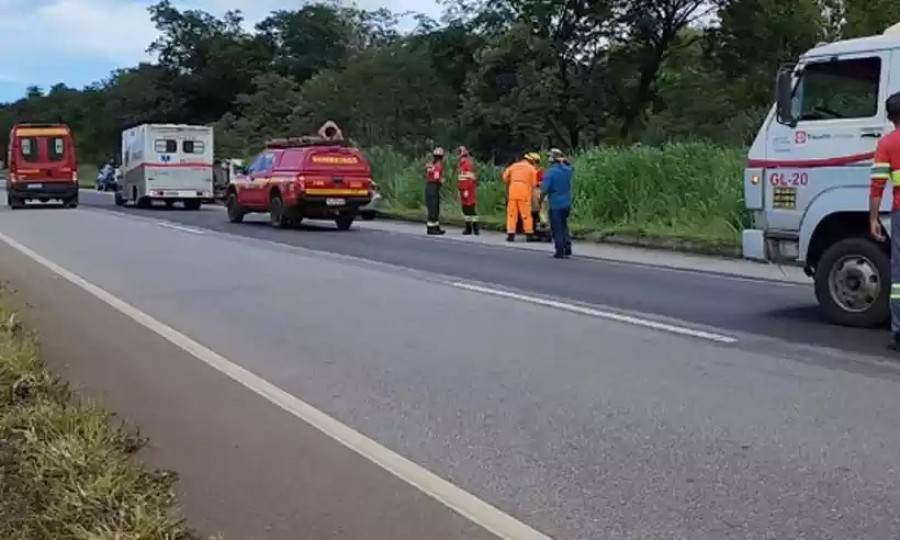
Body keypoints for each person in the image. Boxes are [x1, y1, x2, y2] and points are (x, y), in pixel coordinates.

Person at [869, 91, 900, 349]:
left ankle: (899, 332)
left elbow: (877, 185)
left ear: (890, 117)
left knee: (899, 274)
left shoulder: (887, 144)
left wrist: (874, 218)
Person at [540, 148, 573, 259]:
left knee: (557, 228)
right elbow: (569, 166)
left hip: (555, 203)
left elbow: (545, 189)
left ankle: (560, 250)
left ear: (551, 159)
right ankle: (567, 247)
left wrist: (540, 200)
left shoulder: (551, 172)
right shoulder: (568, 170)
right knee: (564, 226)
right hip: (566, 202)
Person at [502, 153, 539, 242]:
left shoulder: (513, 166)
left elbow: (505, 178)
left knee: (512, 214)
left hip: (513, 192)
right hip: (524, 193)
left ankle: (510, 234)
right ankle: (529, 234)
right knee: (526, 215)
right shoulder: (531, 169)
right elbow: (534, 184)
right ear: (532, 161)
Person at [456, 146, 479, 235]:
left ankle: (475, 228)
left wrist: (466, 190)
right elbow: (460, 179)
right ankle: (468, 228)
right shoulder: (462, 164)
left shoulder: (467, 164)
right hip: (463, 190)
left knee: (470, 208)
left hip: (468, 190)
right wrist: (460, 190)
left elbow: (469, 179)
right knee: (465, 209)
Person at [425, 147, 447, 235]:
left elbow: (426, 174)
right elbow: (437, 178)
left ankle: (435, 227)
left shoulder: (430, 165)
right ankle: (431, 229)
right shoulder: (438, 166)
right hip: (433, 187)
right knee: (434, 208)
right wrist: (442, 180)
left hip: (429, 186)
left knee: (433, 207)